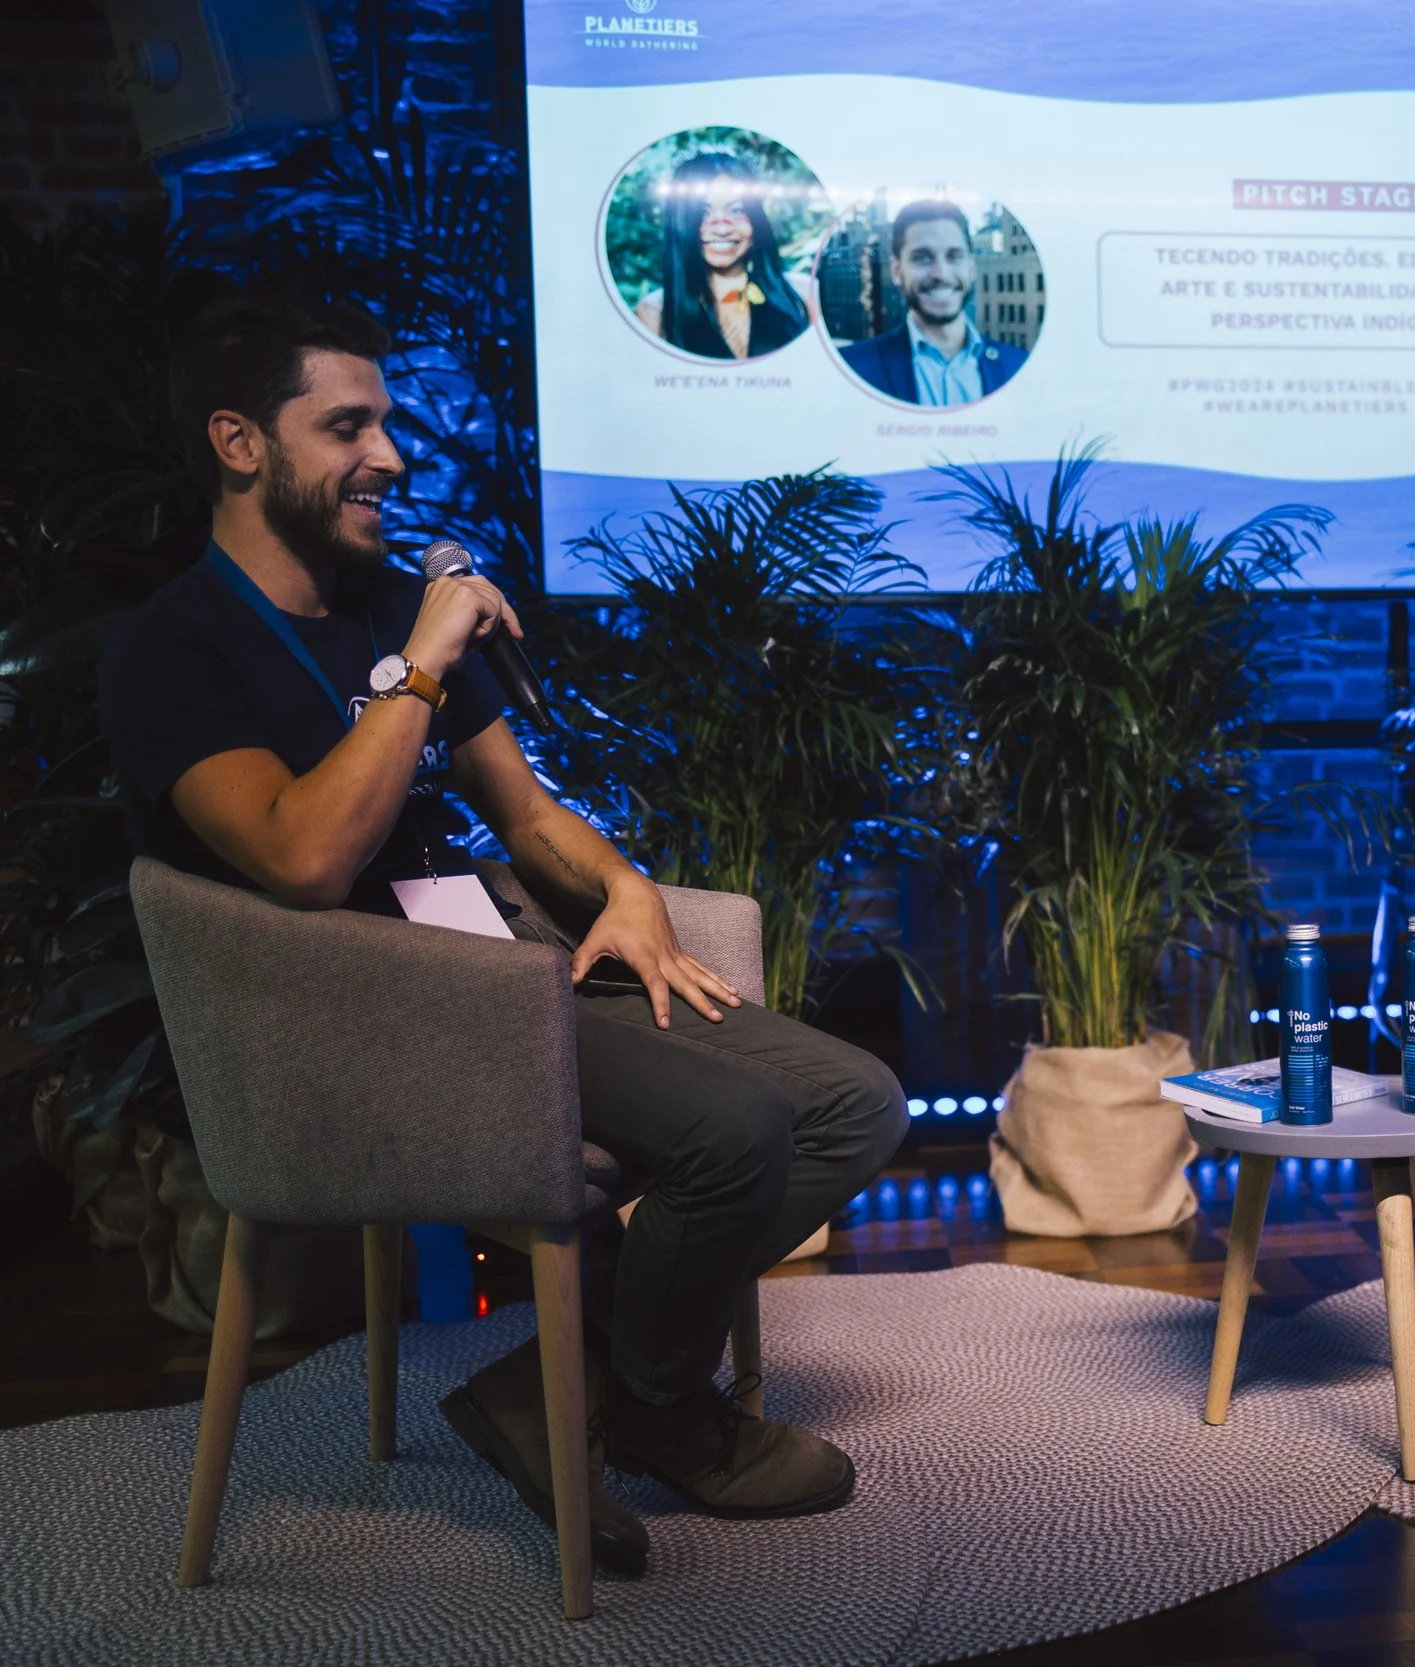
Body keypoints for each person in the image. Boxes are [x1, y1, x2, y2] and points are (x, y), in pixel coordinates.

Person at [100, 292, 906, 1578]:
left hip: (496, 971)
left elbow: (524, 813)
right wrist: (421, 661)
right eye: (347, 425)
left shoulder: (378, 602)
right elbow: (303, 860)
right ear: (240, 444)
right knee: (734, 1128)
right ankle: (654, 1402)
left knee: (853, 1102)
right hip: (353, 1020)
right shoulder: (173, 651)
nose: (393, 457)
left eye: (389, 424)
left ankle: (563, 1388)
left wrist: (627, 889)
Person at [837, 199, 1027, 404]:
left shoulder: (1019, 365)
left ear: (971, 268)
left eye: (954, 256)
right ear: (896, 271)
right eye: (923, 258)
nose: (941, 274)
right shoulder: (850, 369)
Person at [631, 150, 817, 360]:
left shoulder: (804, 296)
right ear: (681, 221)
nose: (721, 229)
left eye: (736, 210)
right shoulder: (654, 314)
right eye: (703, 213)